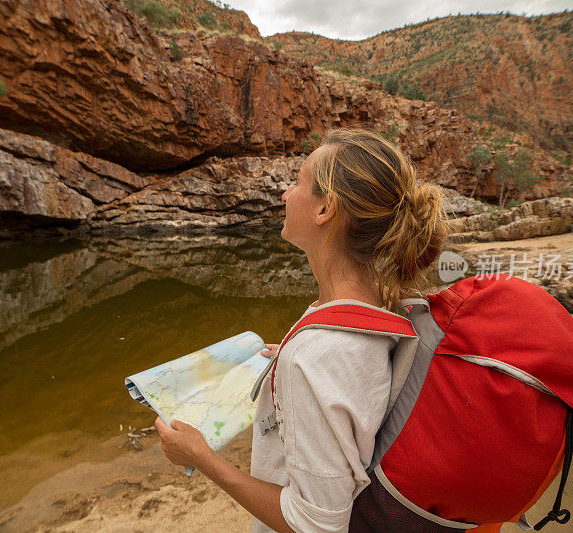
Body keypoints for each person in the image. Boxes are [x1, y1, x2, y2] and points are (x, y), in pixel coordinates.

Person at [154, 128, 448, 532]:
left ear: (326, 208)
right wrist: (290, 367)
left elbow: (315, 525)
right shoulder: (377, 310)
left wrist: (201, 458)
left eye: (297, 183)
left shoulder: (318, 355)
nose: (285, 195)